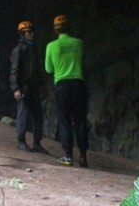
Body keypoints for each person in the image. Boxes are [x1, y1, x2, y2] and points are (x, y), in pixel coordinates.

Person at [44, 14, 88, 167]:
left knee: (64, 120)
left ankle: (68, 156)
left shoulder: (51, 46)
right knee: (80, 120)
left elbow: (48, 69)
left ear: (55, 30)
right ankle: (83, 156)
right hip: (78, 83)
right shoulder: (79, 43)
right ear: (70, 27)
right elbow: (83, 61)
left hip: (61, 84)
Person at [9, 21, 49, 154]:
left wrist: (42, 85)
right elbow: (14, 70)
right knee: (23, 114)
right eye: (28, 32)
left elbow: (37, 70)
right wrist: (16, 88)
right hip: (24, 87)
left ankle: (37, 143)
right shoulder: (19, 50)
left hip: (33, 87)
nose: (32, 34)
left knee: (38, 115)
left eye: (32, 31)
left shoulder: (33, 49)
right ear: (22, 34)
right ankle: (21, 141)